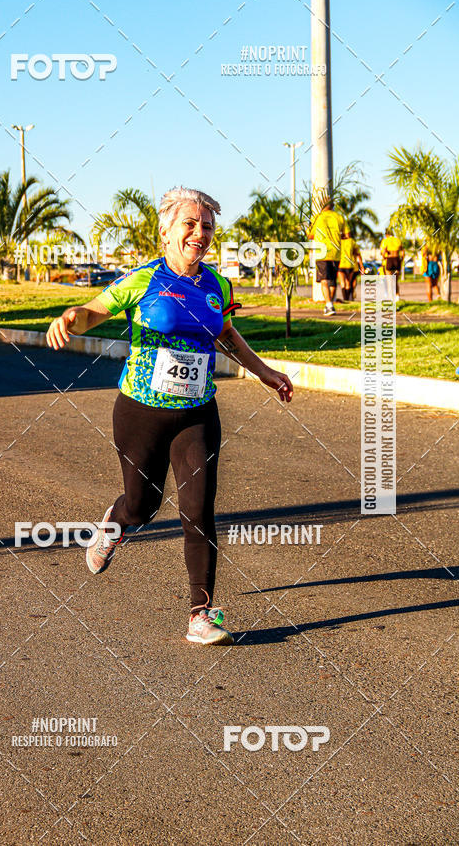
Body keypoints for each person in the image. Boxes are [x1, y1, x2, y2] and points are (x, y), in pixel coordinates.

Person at [46, 187, 294, 645]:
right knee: (142, 506)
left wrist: (265, 372)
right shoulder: (144, 280)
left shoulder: (218, 285)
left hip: (198, 412)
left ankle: (201, 614)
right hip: (141, 411)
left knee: (199, 509)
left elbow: (226, 335)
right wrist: (70, 317)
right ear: (166, 231)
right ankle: (115, 524)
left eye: (207, 227)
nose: (200, 234)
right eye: (190, 224)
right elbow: (95, 311)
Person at [308, 197, 350, 315]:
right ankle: (330, 304)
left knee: (324, 280)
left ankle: (329, 305)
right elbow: (347, 235)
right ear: (332, 206)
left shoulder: (317, 218)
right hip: (336, 253)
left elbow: (310, 236)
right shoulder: (339, 217)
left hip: (322, 252)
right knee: (332, 280)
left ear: (321, 205)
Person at [338, 235, 365, 302]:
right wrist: (362, 267)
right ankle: (349, 298)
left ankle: (346, 299)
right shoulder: (351, 241)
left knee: (343, 283)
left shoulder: (338, 241)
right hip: (351, 265)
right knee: (349, 284)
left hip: (341, 264)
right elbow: (358, 254)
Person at [380, 230, 404, 299]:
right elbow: (402, 251)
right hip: (397, 259)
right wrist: (401, 260)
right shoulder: (397, 240)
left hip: (389, 260)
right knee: (395, 280)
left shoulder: (385, 240)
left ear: (386, 234)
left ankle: (390, 297)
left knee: (389, 280)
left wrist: (384, 257)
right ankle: (397, 296)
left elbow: (383, 251)